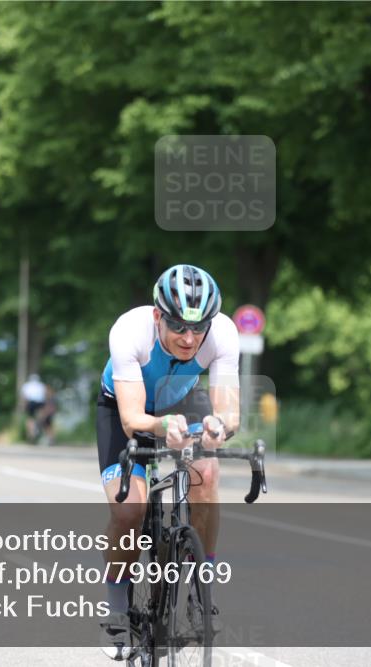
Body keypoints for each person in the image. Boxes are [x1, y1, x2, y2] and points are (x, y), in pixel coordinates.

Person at [97, 264, 240, 659]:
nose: (190, 338)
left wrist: (217, 427)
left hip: (182, 401)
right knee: (128, 510)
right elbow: (131, 419)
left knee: (207, 473)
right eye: (178, 327)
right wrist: (163, 426)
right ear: (158, 315)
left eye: (199, 328)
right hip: (128, 408)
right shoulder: (130, 331)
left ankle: (199, 589)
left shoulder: (224, 333)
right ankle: (117, 606)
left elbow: (230, 412)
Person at [21, 373, 48, 442]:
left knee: (30, 418)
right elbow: (45, 395)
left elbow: (25, 397)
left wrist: (24, 406)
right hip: (40, 402)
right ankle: (38, 425)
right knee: (41, 415)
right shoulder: (41, 385)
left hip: (31, 402)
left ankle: (32, 431)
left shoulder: (26, 385)